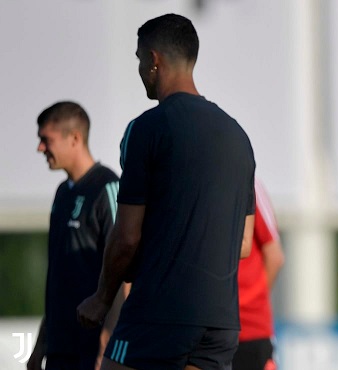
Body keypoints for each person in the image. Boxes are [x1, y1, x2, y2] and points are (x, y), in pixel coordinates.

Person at [76, 13, 256, 370]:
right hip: (220, 322)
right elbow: (244, 243)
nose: (140, 69)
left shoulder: (148, 129)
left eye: (140, 59)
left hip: (159, 314)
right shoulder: (239, 137)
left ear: (154, 60)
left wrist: (101, 298)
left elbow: (126, 236)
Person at [28, 101, 127, 370]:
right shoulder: (62, 193)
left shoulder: (107, 187)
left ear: (74, 138)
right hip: (60, 348)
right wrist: (41, 343)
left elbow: (124, 269)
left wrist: (108, 337)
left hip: (94, 347)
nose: (40, 148)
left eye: (46, 139)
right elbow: (58, 277)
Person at [233, 180, 285, 370]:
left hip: (250, 330)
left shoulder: (249, 185)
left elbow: (275, 255)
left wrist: (250, 301)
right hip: (211, 328)